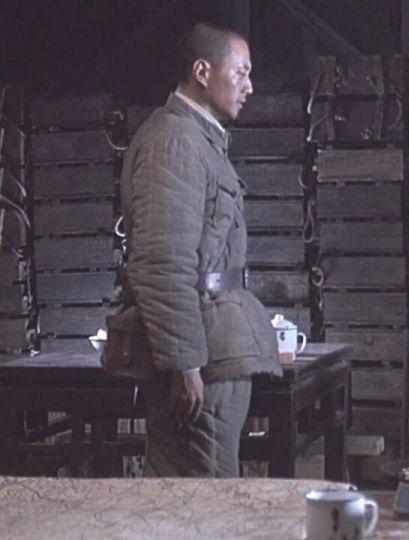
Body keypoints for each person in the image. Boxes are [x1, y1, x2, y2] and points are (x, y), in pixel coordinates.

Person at [119, 23, 281, 477]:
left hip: (213, 350)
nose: (250, 86)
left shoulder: (198, 139)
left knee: (208, 491)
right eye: (241, 72)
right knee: (194, 494)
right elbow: (162, 264)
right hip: (200, 359)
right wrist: (185, 363)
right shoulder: (174, 142)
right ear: (203, 72)